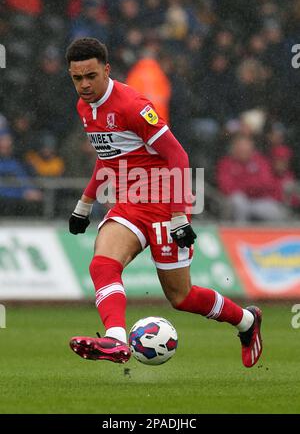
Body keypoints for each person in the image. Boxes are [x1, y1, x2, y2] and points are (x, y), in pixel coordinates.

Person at [66, 37, 263, 368]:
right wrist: (83, 205)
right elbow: (107, 157)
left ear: (107, 70)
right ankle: (115, 339)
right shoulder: (85, 108)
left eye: (91, 76)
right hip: (129, 204)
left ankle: (246, 320)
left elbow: (178, 155)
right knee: (102, 264)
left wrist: (180, 217)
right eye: (77, 78)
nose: (84, 85)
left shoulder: (132, 105)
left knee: (181, 297)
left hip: (162, 205)